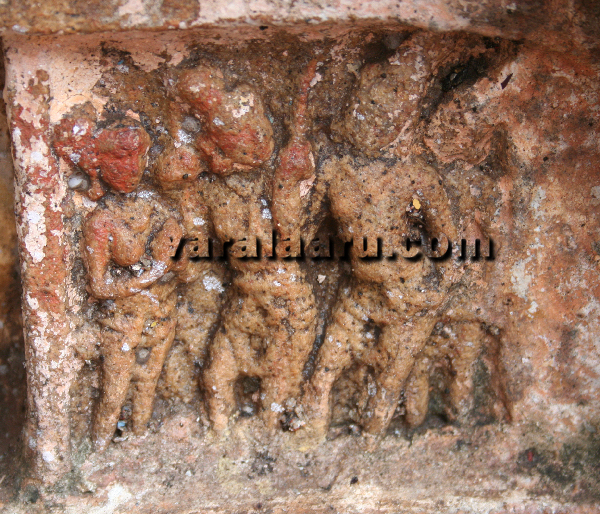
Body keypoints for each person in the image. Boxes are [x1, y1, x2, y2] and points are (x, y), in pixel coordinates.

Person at [54, 116, 183, 451]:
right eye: (121, 158)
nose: (133, 167)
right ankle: (99, 447)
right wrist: (152, 274)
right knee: (113, 394)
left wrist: (177, 247)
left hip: (160, 314)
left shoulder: (154, 207)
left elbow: (181, 262)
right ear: (100, 164)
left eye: (139, 156)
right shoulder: (101, 221)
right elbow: (98, 287)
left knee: (148, 386)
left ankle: (139, 443)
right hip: (121, 323)